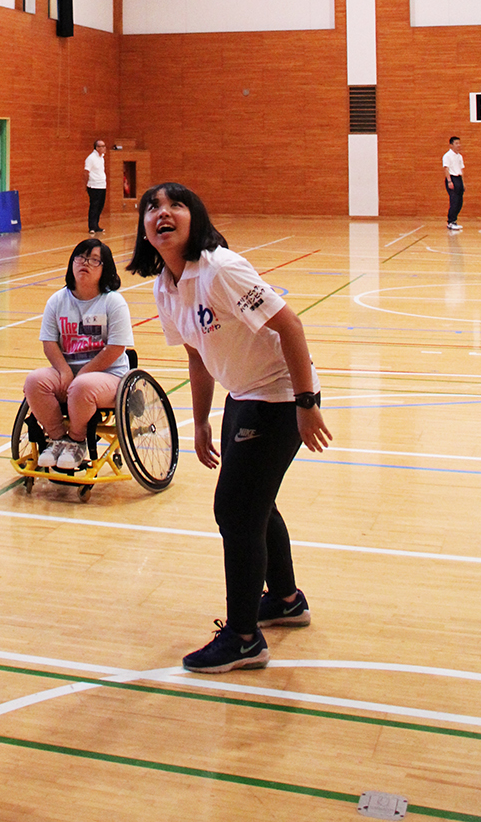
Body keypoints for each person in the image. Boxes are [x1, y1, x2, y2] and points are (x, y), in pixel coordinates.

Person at [127, 183, 332, 674]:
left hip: (280, 397)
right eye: (152, 207)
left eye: (176, 204)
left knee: (235, 511)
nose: (163, 213)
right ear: (144, 228)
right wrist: (200, 420)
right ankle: (284, 599)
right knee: (257, 503)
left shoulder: (220, 269)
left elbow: (291, 327)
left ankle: (243, 638)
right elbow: (198, 354)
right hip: (244, 396)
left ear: (195, 217)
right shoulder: (166, 284)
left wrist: (306, 404)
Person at [24, 238, 134, 473]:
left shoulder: (113, 302)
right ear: (72, 263)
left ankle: (77, 440)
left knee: (82, 386)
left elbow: (116, 348)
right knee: (34, 381)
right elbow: (49, 343)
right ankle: (57, 439)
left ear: (105, 269)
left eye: (94, 260)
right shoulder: (57, 300)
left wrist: (82, 373)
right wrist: (64, 370)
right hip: (69, 373)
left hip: (108, 376)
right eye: (81, 258)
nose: (85, 263)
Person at [84, 138, 108, 235]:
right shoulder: (91, 158)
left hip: (102, 185)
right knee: (94, 206)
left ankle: (96, 225)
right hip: (94, 186)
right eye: (102, 146)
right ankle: (91, 227)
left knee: (100, 206)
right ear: (97, 147)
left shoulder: (102, 157)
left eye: (104, 146)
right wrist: (86, 184)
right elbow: (86, 172)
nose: (104, 148)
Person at [443, 135, 465, 230]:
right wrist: (449, 181)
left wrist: (463, 182)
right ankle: (450, 222)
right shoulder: (447, 156)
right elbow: (446, 168)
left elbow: (461, 169)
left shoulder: (459, 156)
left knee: (460, 202)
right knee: (454, 201)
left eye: (459, 143)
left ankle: (454, 220)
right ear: (451, 145)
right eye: (456, 143)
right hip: (452, 178)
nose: (458, 145)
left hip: (458, 178)